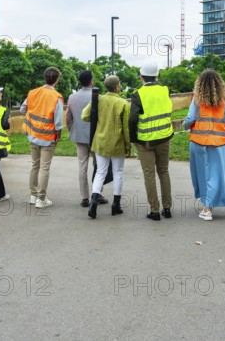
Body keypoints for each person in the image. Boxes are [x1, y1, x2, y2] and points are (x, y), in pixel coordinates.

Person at [182, 69, 225, 221]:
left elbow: (190, 118)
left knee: (202, 174)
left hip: (199, 143)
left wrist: (184, 126)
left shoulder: (197, 99)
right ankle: (211, 205)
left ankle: (207, 208)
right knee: (217, 175)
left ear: (200, 84)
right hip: (220, 144)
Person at [129, 60, 173, 221]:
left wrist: (133, 139)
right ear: (157, 76)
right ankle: (167, 208)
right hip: (164, 137)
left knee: (149, 175)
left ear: (141, 77)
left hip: (145, 141)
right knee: (163, 171)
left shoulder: (137, 94)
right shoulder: (165, 91)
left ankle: (154, 211)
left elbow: (132, 120)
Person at [82, 75, 130, 219]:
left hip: (100, 142)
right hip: (117, 143)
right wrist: (128, 145)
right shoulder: (123, 103)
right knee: (118, 172)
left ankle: (93, 203)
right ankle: (116, 205)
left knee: (100, 172)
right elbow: (126, 128)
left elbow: (84, 116)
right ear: (116, 87)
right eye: (119, 84)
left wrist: (98, 118)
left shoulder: (99, 99)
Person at [21, 67, 64, 209]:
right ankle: (41, 199)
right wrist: (59, 136)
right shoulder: (57, 97)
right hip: (47, 137)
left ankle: (33, 196)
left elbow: (23, 109)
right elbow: (58, 122)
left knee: (35, 165)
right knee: (45, 167)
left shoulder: (33, 93)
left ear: (45, 78)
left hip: (32, 134)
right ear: (56, 80)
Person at [66, 70, 108, 207]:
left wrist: (73, 130)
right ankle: (97, 194)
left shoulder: (72, 97)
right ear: (91, 81)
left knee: (82, 166)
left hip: (79, 136)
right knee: (99, 166)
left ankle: (84, 197)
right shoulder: (98, 97)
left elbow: (68, 118)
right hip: (96, 136)